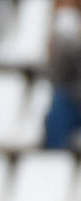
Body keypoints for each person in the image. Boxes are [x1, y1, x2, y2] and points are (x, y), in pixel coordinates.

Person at [44, 0, 81, 151]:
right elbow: (58, 75)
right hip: (73, 98)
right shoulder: (65, 27)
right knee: (58, 109)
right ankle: (53, 163)